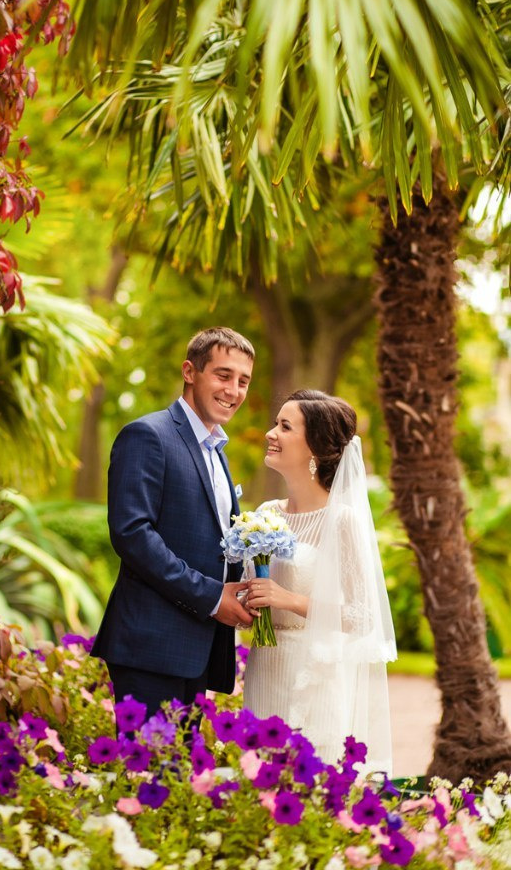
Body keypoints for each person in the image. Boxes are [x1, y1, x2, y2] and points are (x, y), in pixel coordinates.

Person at [91, 327, 256, 717]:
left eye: (243, 380)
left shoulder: (218, 451)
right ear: (189, 371)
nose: (233, 390)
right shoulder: (148, 435)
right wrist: (214, 598)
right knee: (147, 774)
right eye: (223, 375)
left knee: (181, 776)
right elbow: (133, 536)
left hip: (199, 649)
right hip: (151, 645)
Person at [242, 389, 396, 774]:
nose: (270, 433)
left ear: (313, 449)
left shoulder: (341, 520)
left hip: (313, 674)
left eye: (284, 426)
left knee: (309, 790)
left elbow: (362, 617)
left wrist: (288, 599)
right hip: (265, 668)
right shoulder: (265, 514)